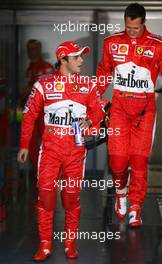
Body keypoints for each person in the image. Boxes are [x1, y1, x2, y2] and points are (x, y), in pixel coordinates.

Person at [17, 41, 105, 261]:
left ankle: (70, 243)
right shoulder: (43, 84)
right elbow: (29, 116)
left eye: (82, 57)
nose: (82, 61)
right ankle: (45, 244)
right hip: (49, 151)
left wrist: (90, 123)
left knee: (70, 198)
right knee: (46, 197)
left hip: (75, 152)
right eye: (76, 57)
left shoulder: (89, 84)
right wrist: (24, 145)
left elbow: (99, 112)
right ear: (63, 59)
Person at [96, 3, 162, 227]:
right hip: (119, 109)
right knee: (118, 161)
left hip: (145, 111)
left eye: (135, 28)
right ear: (125, 22)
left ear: (143, 23)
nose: (131, 31)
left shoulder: (159, 45)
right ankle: (121, 194)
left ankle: (135, 207)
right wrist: (91, 102)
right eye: (128, 27)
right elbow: (103, 74)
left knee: (139, 162)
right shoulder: (111, 43)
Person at [17, 39, 54, 175]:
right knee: (31, 142)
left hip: (45, 111)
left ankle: (47, 171)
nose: (30, 52)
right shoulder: (29, 69)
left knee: (47, 140)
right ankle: (38, 170)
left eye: (33, 48)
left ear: (39, 49)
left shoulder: (46, 67)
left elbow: (50, 88)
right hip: (33, 111)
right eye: (29, 49)